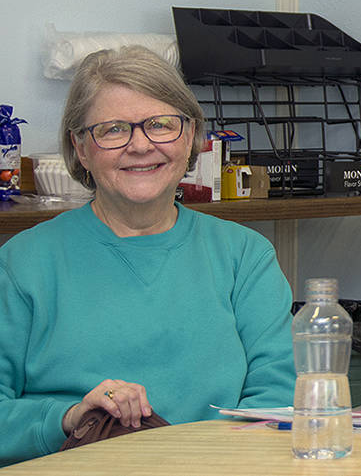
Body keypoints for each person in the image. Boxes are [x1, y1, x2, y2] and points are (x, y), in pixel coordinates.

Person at [0, 46, 296, 466]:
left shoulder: (245, 257)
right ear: (81, 149)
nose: (140, 145)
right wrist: (66, 419)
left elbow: (279, 402)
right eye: (113, 129)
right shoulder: (22, 264)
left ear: (191, 136)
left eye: (160, 125)